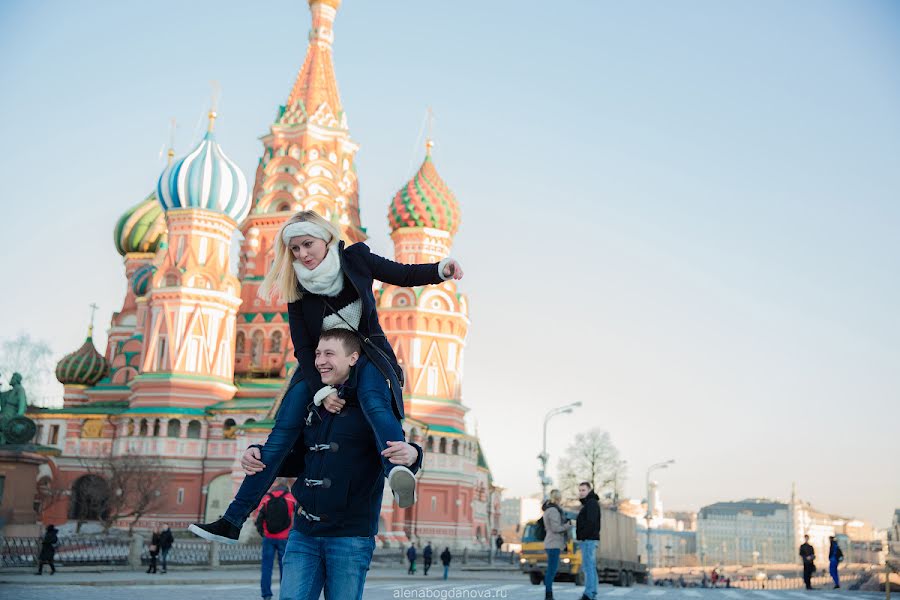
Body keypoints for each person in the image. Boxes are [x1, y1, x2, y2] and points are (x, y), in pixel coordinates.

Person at [190, 211, 462, 544]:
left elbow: (400, 274)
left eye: (307, 244)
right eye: (294, 249)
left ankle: (398, 471)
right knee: (282, 431)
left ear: (326, 239)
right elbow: (303, 348)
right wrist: (319, 391)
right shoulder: (296, 286)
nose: (302, 254)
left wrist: (439, 271)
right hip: (320, 365)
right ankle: (232, 520)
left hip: (364, 355)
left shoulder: (356, 258)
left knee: (375, 403)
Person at [275, 329, 424, 600]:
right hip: (303, 533)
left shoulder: (372, 406)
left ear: (353, 358)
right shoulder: (313, 403)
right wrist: (259, 455)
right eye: (318, 354)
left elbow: (393, 443)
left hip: (349, 537)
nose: (319, 361)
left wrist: (413, 454)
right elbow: (295, 459)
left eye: (329, 354)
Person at [255, 481, 297, 600]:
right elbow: (299, 517)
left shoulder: (266, 498)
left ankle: (266, 594)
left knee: (266, 567)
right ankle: (285, 594)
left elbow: (258, 519)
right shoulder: (290, 498)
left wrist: (263, 533)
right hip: (284, 538)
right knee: (285, 568)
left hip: (269, 538)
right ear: (286, 487)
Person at [542, 489, 569, 600]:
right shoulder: (553, 510)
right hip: (553, 543)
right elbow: (555, 528)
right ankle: (548, 594)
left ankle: (549, 592)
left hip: (552, 543)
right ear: (558, 499)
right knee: (552, 570)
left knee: (552, 569)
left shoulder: (550, 509)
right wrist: (567, 526)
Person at [575, 482, 601, 600]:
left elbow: (591, 523)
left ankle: (589, 593)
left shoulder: (591, 503)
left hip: (588, 540)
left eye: (583, 490)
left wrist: (583, 535)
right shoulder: (590, 503)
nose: (581, 492)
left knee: (588, 567)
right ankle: (592, 592)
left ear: (589, 490)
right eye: (580, 490)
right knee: (590, 567)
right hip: (589, 539)